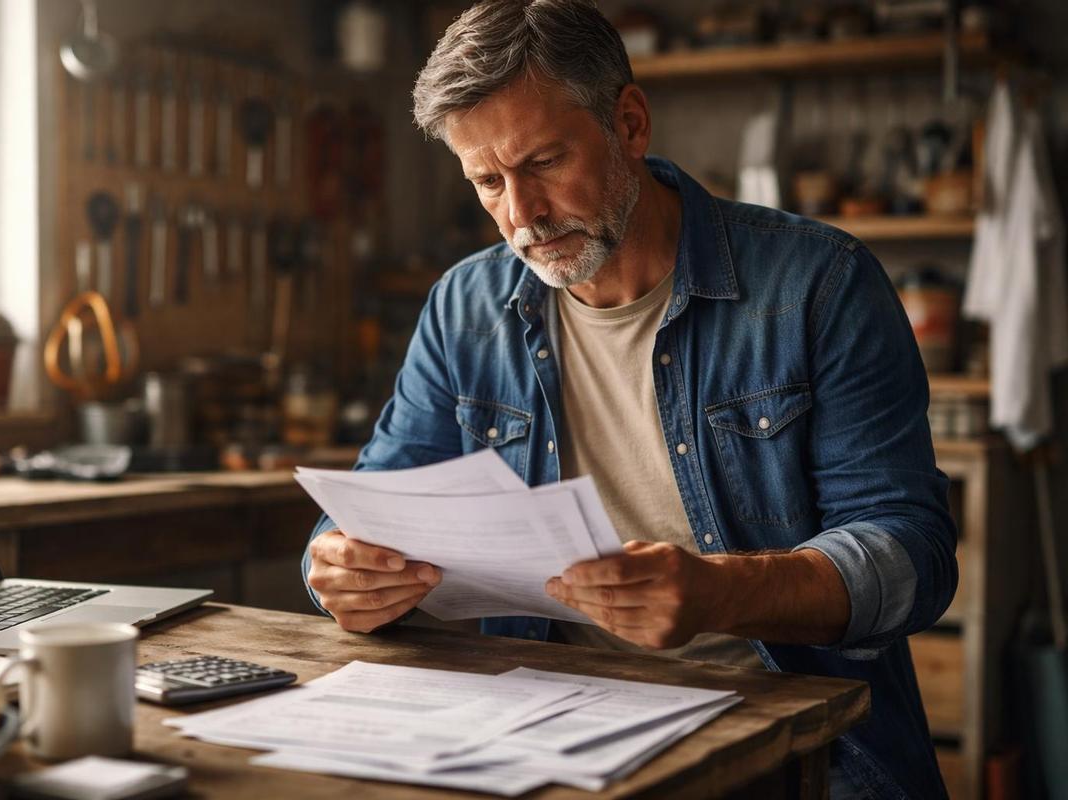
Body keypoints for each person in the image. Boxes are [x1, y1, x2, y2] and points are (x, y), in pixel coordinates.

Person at [301, 1, 957, 797]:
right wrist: (337, 568)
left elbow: (911, 559)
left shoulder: (820, 284)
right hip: (539, 732)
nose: (522, 216)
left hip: (783, 743)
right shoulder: (462, 308)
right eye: (486, 181)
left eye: (543, 162)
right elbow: (360, 518)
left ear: (632, 123)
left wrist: (723, 592)